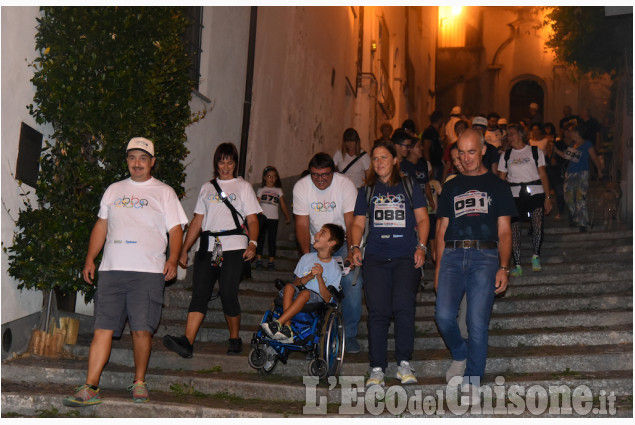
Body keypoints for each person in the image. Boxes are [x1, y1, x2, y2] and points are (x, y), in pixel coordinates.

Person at [63, 137, 187, 407]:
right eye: (132, 157)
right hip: (112, 270)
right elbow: (101, 225)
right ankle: (91, 386)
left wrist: (173, 259)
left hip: (147, 271)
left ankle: (140, 381)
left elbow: (176, 229)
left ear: (152, 162)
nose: (137, 163)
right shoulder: (114, 190)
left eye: (143, 158)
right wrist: (90, 259)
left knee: (141, 330)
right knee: (102, 329)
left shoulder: (164, 192)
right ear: (127, 161)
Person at [434, 128, 516, 406]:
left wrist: (504, 266)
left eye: (472, 151)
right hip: (453, 256)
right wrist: (437, 268)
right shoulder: (451, 185)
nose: (467, 158)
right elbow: (441, 228)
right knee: (444, 316)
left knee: (476, 322)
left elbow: (505, 231)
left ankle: (472, 381)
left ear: (482, 150)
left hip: (485, 257)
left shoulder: (498, 186)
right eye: (461, 152)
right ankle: (460, 353)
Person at [163, 143, 261, 358]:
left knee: (227, 292)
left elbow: (253, 219)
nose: (225, 166)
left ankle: (235, 337)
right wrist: (184, 249)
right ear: (216, 164)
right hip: (212, 247)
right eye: (221, 161)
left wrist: (253, 243)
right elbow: (198, 221)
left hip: (234, 245)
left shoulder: (243, 187)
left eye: (229, 162)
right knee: (201, 292)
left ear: (235, 164)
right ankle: (187, 342)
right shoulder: (208, 188)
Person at [348, 140, 430, 387]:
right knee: (378, 312)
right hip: (375, 259)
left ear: (395, 160)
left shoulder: (409, 185)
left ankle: (404, 363)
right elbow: (358, 224)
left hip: (405, 257)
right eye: (375, 158)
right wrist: (353, 247)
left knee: (404, 307)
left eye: (384, 157)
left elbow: (424, 220)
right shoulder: (367, 191)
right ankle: (377, 368)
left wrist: (422, 247)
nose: (379, 162)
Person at [292, 153, 362, 353]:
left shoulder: (345, 185)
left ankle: (349, 334)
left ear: (333, 172)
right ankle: (310, 332)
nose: (320, 179)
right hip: (317, 241)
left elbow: (351, 221)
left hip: (342, 241)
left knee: (351, 283)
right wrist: (307, 256)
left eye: (325, 175)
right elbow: (302, 224)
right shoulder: (301, 187)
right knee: (309, 283)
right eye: (316, 175)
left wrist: (351, 251)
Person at [261, 223, 345, 343]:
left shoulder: (335, 269)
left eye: (323, 233)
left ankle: (278, 322)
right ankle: (287, 329)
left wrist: (320, 278)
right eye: (319, 231)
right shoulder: (306, 258)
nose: (317, 234)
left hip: (317, 299)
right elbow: (296, 283)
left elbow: (328, 298)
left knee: (305, 293)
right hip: (301, 291)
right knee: (289, 287)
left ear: (331, 243)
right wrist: (310, 276)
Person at [498, 124, 552, 277]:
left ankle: (536, 256)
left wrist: (548, 197)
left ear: (521, 135)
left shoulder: (536, 151)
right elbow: (501, 180)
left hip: (535, 192)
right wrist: (500, 201)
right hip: (514, 195)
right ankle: (517, 263)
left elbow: (543, 175)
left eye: (512, 134)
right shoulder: (506, 155)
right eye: (508, 135)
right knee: (514, 230)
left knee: (537, 224)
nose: (509, 137)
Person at [557, 122, 603, 232]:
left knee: (580, 197)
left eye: (572, 132)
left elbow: (594, 158)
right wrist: (556, 151)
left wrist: (600, 170)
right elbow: (566, 156)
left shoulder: (587, 144)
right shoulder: (573, 146)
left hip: (582, 173)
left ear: (577, 132)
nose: (570, 134)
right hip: (570, 173)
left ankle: (583, 223)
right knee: (568, 197)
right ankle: (575, 218)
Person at [255, 166, 291, 270]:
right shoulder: (261, 190)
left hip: (273, 218)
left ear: (276, 178)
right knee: (260, 238)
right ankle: (259, 259)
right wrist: (256, 214)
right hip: (262, 218)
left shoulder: (278, 190)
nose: (271, 178)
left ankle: (271, 261)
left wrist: (287, 216)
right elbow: (256, 203)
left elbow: (283, 204)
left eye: (274, 176)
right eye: (269, 176)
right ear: (264, 177)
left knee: (272, 240)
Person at [421, 110, 445, 181]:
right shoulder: (429, 131)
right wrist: (429, 164)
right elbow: (426, 149)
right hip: (434, 164)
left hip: (437, 164)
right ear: (440, 120)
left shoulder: (435, 132)